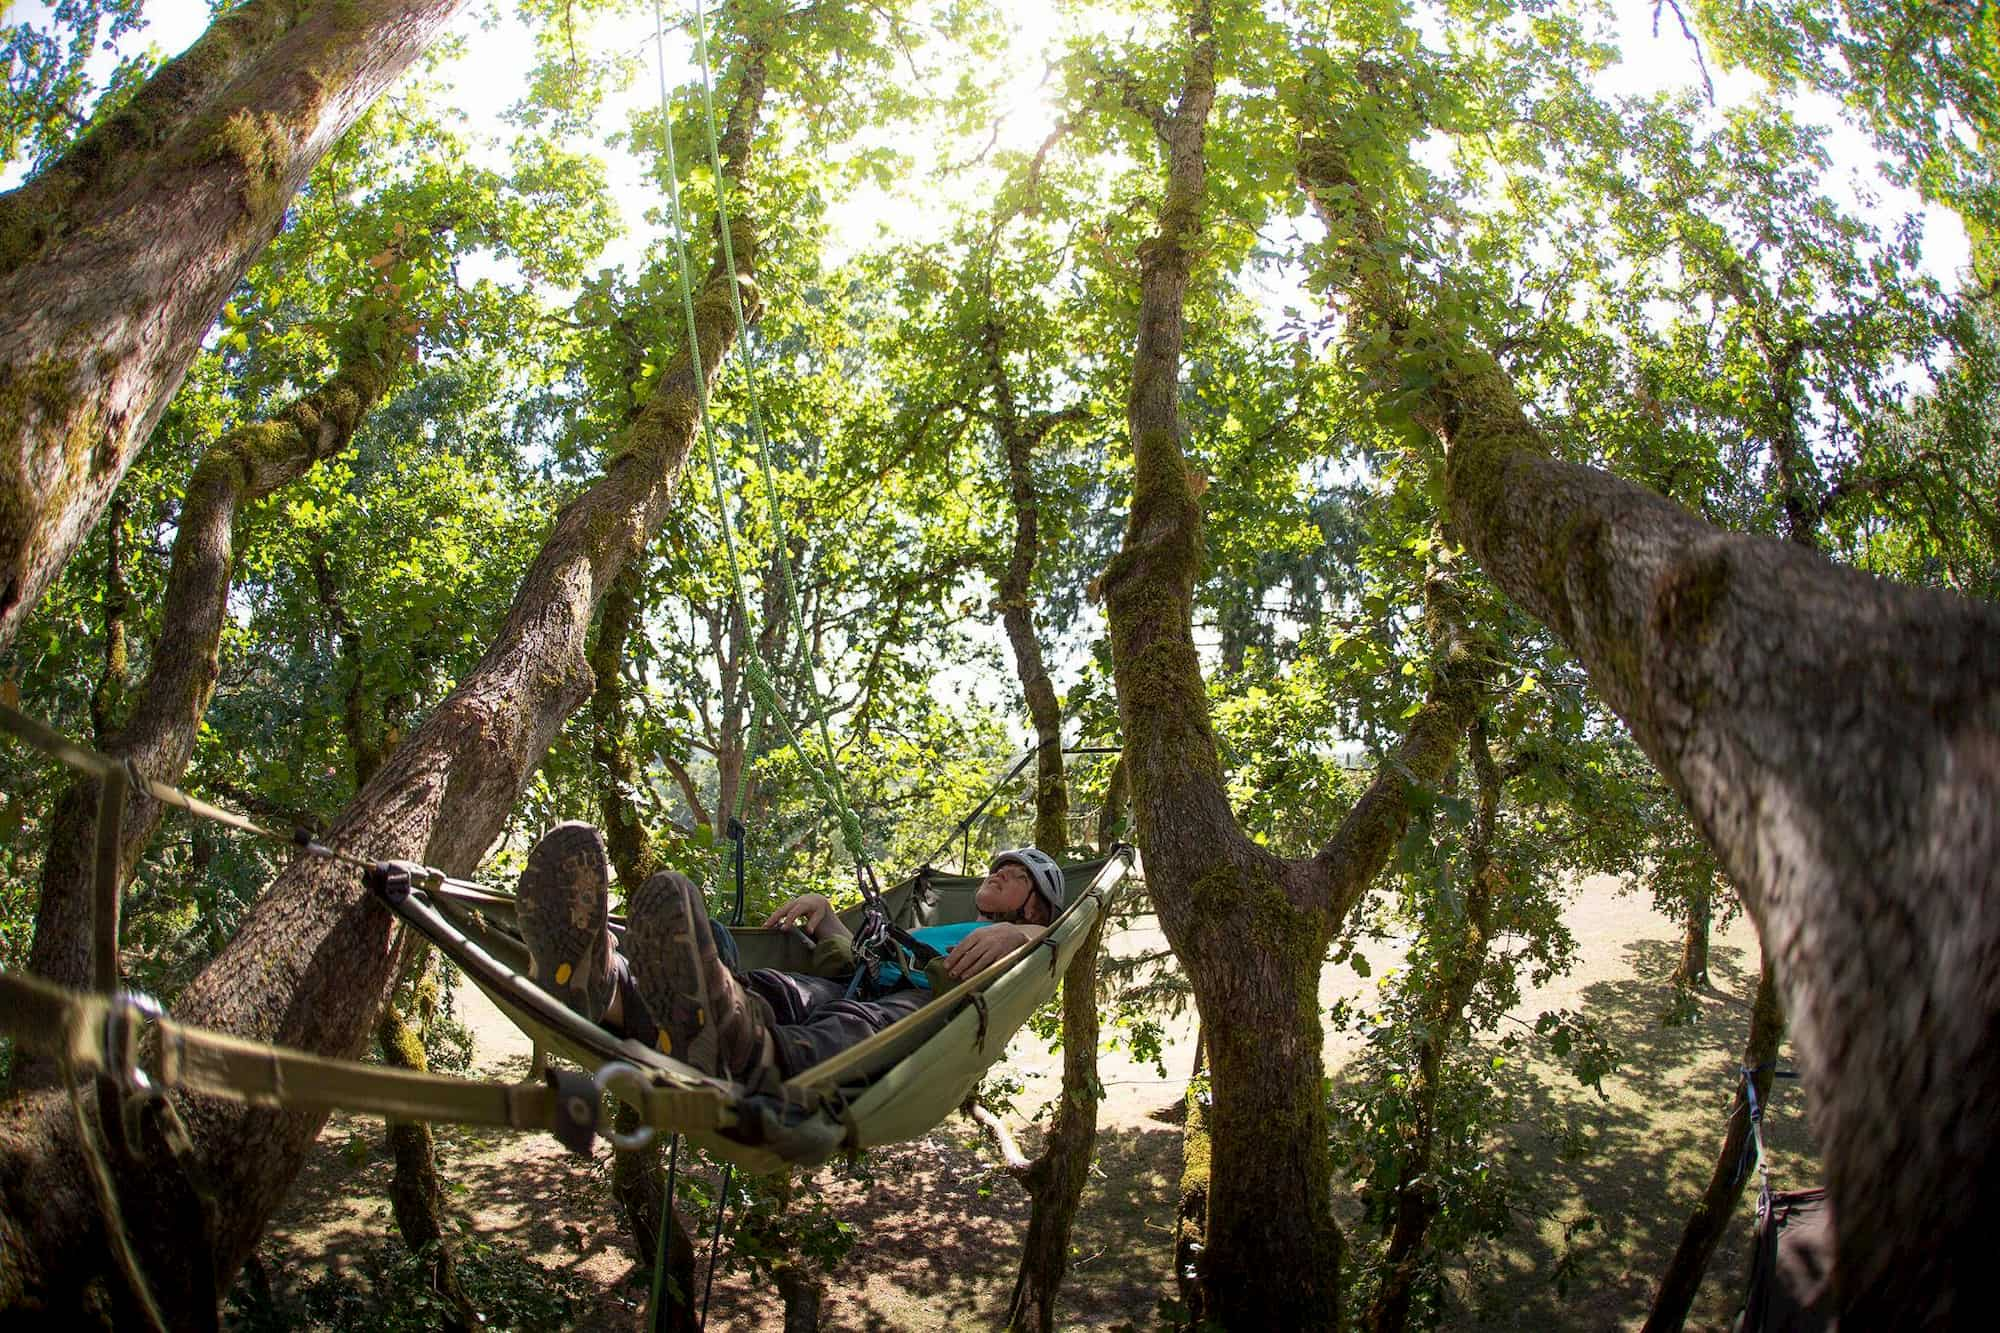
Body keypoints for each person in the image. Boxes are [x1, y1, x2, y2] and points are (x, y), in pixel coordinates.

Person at [514, 822, 1065, 1088]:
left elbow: (1047, 952)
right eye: (998, 868)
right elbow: (863, 962)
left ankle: (746, 1052)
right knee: (772, 987)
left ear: (1035, 911)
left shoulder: (1030, 939)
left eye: (1014, 877)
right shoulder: (948, 924)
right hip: (859, 985)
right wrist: (827, 916)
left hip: (913, 1012)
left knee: (852, 1025)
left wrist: (1020, 939)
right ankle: (606, 985)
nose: (997, 874)